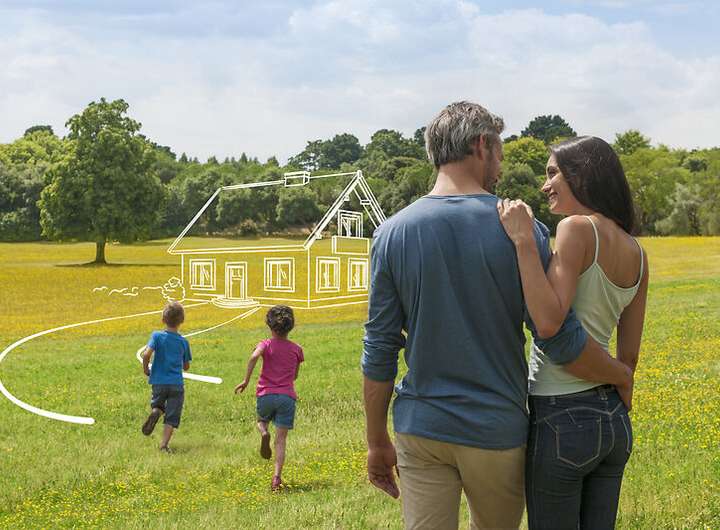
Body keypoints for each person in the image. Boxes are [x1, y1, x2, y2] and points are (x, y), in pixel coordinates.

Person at [362, 101, 634, 530]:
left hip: (421, 427)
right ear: (481, 146)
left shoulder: (391, 233)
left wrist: (377, 441)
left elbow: (379, 347)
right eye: (500, 152)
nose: (501, 165)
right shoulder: (522, 229)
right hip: (496, 431)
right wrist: (618, 373)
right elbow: (555, 335)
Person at [497, 136, 648, 530]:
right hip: (614, 421)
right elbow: (629, 357)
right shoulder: (637, 251)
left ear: (581, 176)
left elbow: (548, 322)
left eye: (553, 174)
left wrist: (523, 241)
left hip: (560, 415)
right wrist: (620, 385)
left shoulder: (575, 228)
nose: (544, 185)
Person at [235, 305, 304, 492]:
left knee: (261, 421)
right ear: (290, 326)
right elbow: (295, 376)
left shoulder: (265, 344)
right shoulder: (297, 349)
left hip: (266, 394)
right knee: (281, 440)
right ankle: (276, 478)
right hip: (287, 397)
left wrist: (246, 380)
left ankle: (264, 432)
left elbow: (253, 357)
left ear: (270, 325)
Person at [141, 301, 192, 452]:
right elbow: (186, 366)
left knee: (158, 405)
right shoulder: (183, 342)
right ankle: (163, 445)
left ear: (163, 319)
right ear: (182, 321)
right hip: (176, 384)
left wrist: (146, 369)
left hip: (159, 382)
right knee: (172, 416)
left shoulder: (156, 336)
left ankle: (157, 411)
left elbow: (146, 355)